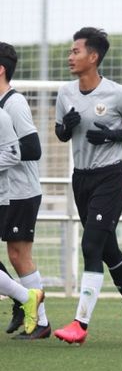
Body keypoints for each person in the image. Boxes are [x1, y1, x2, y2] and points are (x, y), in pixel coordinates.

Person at [53, 27, 122, 346]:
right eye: (70, 52)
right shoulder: (65, 92)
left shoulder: (118, 93)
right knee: (108, 250)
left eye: (76, 51)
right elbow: (60, 134)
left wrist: (113, 136)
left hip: (110, 177)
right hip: (81, 179)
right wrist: (66, 128)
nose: (70, 56)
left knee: (90, 247)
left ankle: (80, 324)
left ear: (93, 57)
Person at [0, 42, 50, 339]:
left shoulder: (13, 103)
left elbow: (31, 148)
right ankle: (22, 298)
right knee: (16, 255)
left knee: (19, 256)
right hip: (6, 190)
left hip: (20, 190)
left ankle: (39, 319)